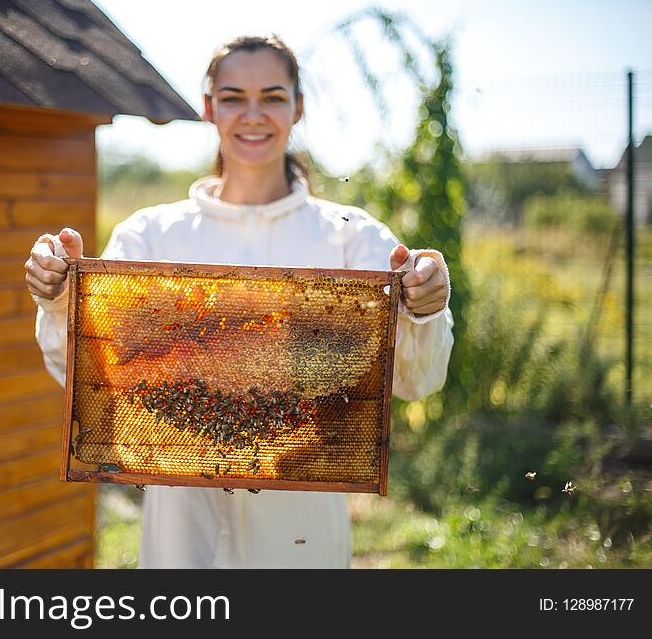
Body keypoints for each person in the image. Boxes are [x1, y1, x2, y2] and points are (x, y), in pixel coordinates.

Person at [24, 35, 454, 568]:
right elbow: (86, 371)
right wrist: (62, 297)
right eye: (233, 97)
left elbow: (417, 381)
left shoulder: (350, 237)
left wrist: (423, 302)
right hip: (183, 531)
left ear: (298, 107)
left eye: (273, 97)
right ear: (209, 107)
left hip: (303, 538)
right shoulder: (150, 235)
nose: (253, 115)